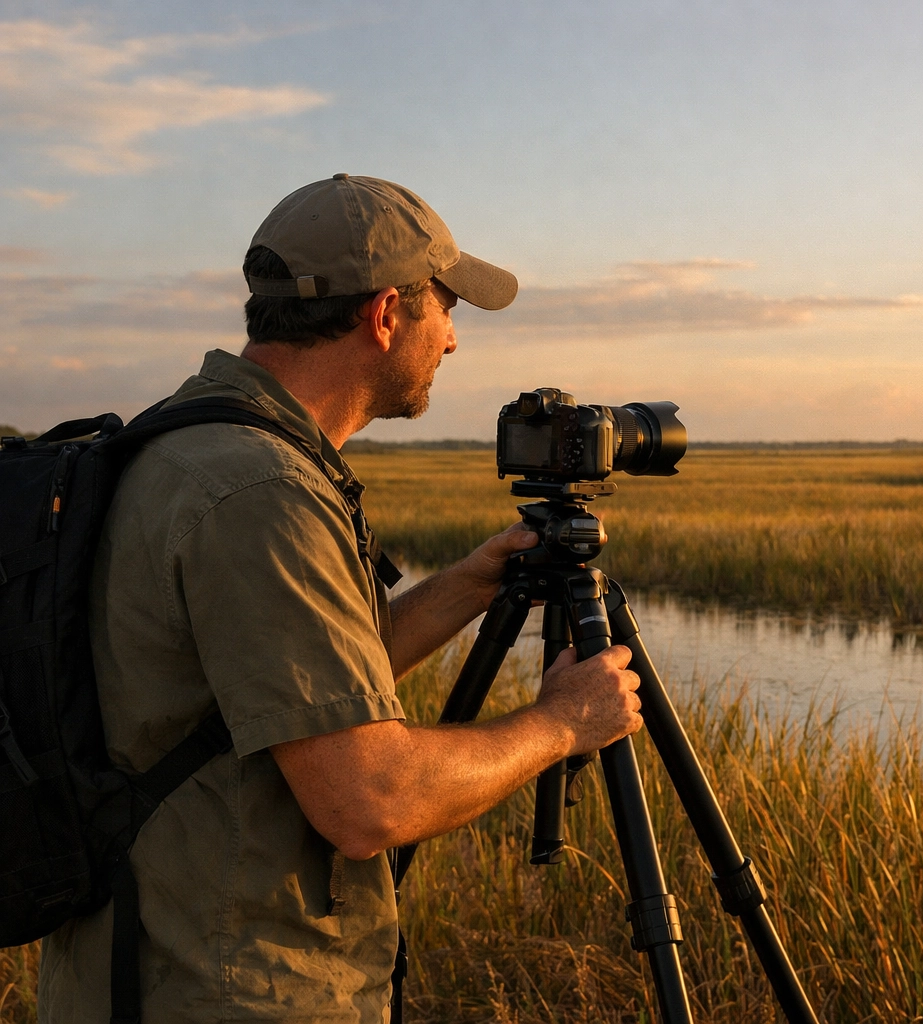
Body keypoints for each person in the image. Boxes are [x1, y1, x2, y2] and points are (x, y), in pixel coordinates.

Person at [37, 174, 644, 1023]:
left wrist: (469, 585)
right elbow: (370, 799)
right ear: (387, 313)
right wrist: (563, 723)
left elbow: (280, 691)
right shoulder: (261, 493)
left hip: (142, 969)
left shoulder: (185, 441)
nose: (454, 342)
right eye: (448, 309)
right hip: (223, 985)